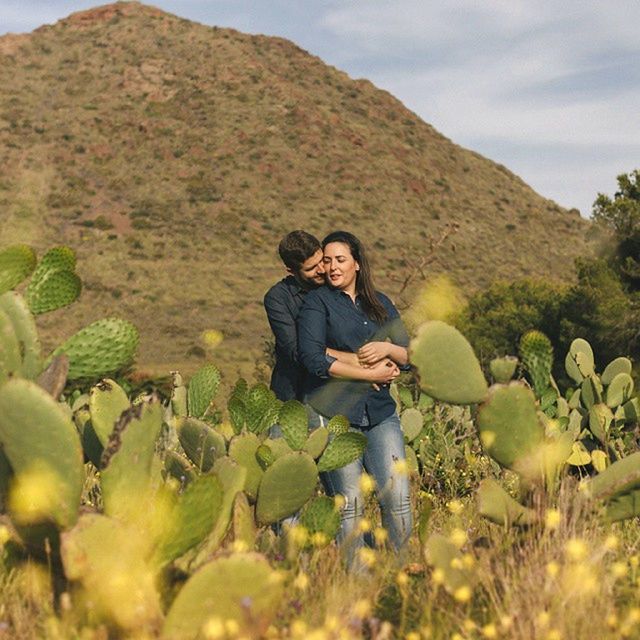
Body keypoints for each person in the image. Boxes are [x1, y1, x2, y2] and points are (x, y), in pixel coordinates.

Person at [297, 230, 413, 567]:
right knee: (349, 506)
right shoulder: (317, 303)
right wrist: (370, 373)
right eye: (328, 261)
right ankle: (357, 584)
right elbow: (314, 359)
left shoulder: (380, 302)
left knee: (398, 497)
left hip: (380, 414)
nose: (333, 267)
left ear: (357, 264)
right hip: (336, 415)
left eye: (340, 260)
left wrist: (388, 348)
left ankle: (398, 573)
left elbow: (409, 356)